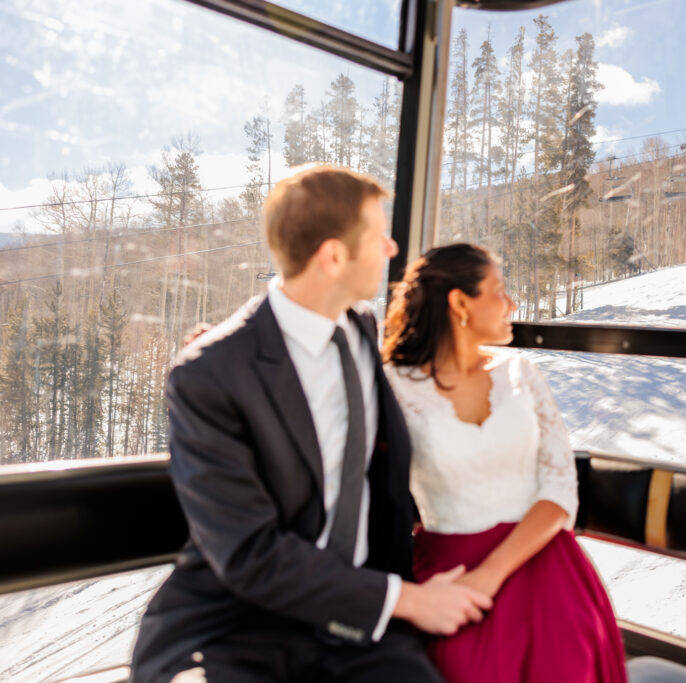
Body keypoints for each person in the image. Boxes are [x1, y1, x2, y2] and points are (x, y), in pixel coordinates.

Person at [130, 166, 491, 683]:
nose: (392, 249)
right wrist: (408, 601)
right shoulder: (209, 375)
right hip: (234, 627)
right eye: (379, 236)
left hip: (356, 630)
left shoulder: (362, 329)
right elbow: (249, 553)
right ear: (333, 255)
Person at [382, 243, 628, 683]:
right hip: (448, 578)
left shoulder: (522, 373)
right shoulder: (393, 388)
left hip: (549, 569)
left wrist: (490, 577)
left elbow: (559, 490)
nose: (512, 303)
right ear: (460, 302)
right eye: (498, 289)